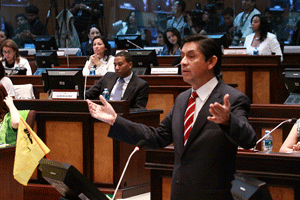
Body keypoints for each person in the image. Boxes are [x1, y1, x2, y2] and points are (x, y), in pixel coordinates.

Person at [86, 35, 257, 199]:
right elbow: (158, 137)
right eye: (182, 56)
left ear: (211, 61)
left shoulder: (232, 99)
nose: (183, 62)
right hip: (179, 192)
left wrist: (228, 121)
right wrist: (115, 120)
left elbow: (249, 139)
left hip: (213, 195)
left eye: (191, 57)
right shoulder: (183, 99)